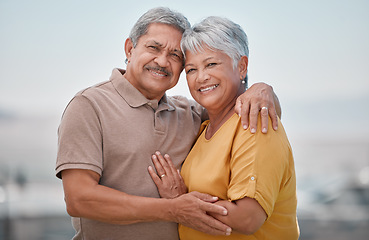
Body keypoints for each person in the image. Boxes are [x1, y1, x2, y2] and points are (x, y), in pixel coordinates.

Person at [55, 7, 281, 240]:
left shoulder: (190, 113)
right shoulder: (89, 106)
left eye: (175, 55)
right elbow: (79, 199)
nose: (162, 61)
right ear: (130, 49)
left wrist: (262, 90)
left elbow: (237, 107)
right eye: (154, 47)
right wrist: (173, 209)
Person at [149, 16, 299, 239]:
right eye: (191, 70)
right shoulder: (205, 128)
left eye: (211, 64)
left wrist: (179, 203)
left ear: (242, 67)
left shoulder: (254, 124)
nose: (201, 77)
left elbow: (247, 219)